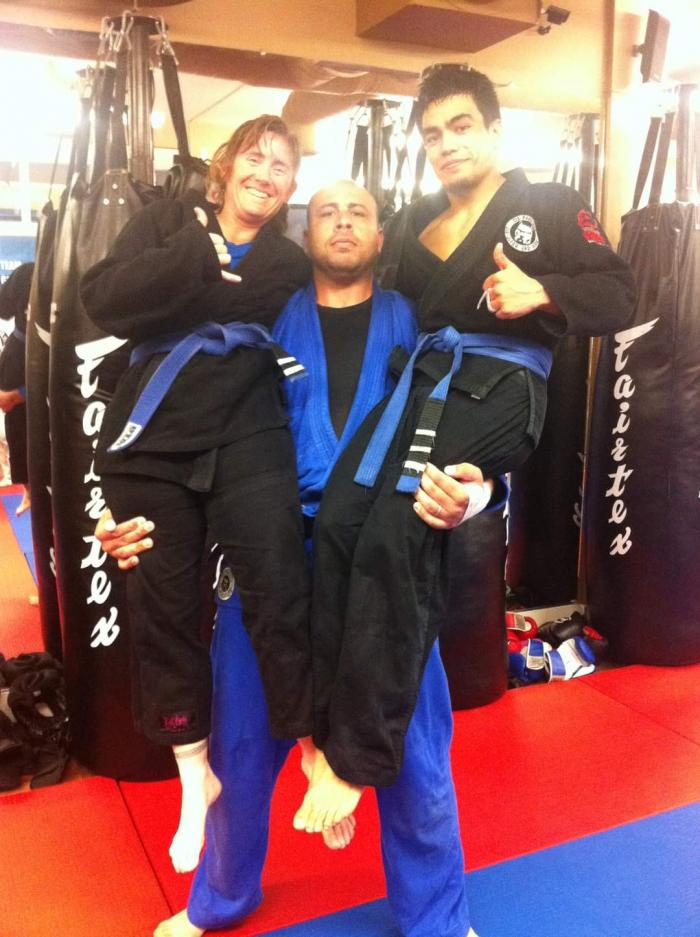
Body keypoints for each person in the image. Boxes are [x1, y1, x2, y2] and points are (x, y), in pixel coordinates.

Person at [99, 179, 490, 937]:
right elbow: (181, 424)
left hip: (386, 565)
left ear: (381, 236)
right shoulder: (261, 318)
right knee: (241, 746)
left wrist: (479, 494)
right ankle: (220, 898)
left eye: (358, 213)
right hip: (273, 556)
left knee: (414, 754)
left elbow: (478, 427)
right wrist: (124, 514)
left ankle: (438, 920)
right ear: (304, 234)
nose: (342, 223)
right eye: (326, 213)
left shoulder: (417, 321)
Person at [294, 64, 637, 832]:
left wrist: (545, 291)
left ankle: (360, 754)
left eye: (460, 127)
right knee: (341, 516)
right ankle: (325, 727)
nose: (446, 144)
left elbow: (623, 291)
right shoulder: (416, 222)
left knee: (397, 524)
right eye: (432, 135)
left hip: (504, 385)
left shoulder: (549, 204)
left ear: (493, 130)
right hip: (427, 385)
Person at [80, 115, 315, 875]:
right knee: (165, 605)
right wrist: (194, 258)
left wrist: (192, 293)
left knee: (279, 577)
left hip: (246, 429)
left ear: (290, 186)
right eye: (256, 156)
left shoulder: (287, 261)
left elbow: (250, 315)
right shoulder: (167, 222)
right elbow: (105, 299)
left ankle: (310, 742)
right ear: (226, 163)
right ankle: (192, 773)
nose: (266, 174)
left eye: (282, 166)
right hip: (152, 438)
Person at [0, 262, 33, 515]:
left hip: (46, 363)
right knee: (17, 430)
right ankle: (29, 491)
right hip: (18, 356)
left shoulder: (75, 279)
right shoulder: (27, 273)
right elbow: (3, 308)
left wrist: (19, 395)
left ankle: (38, 492)